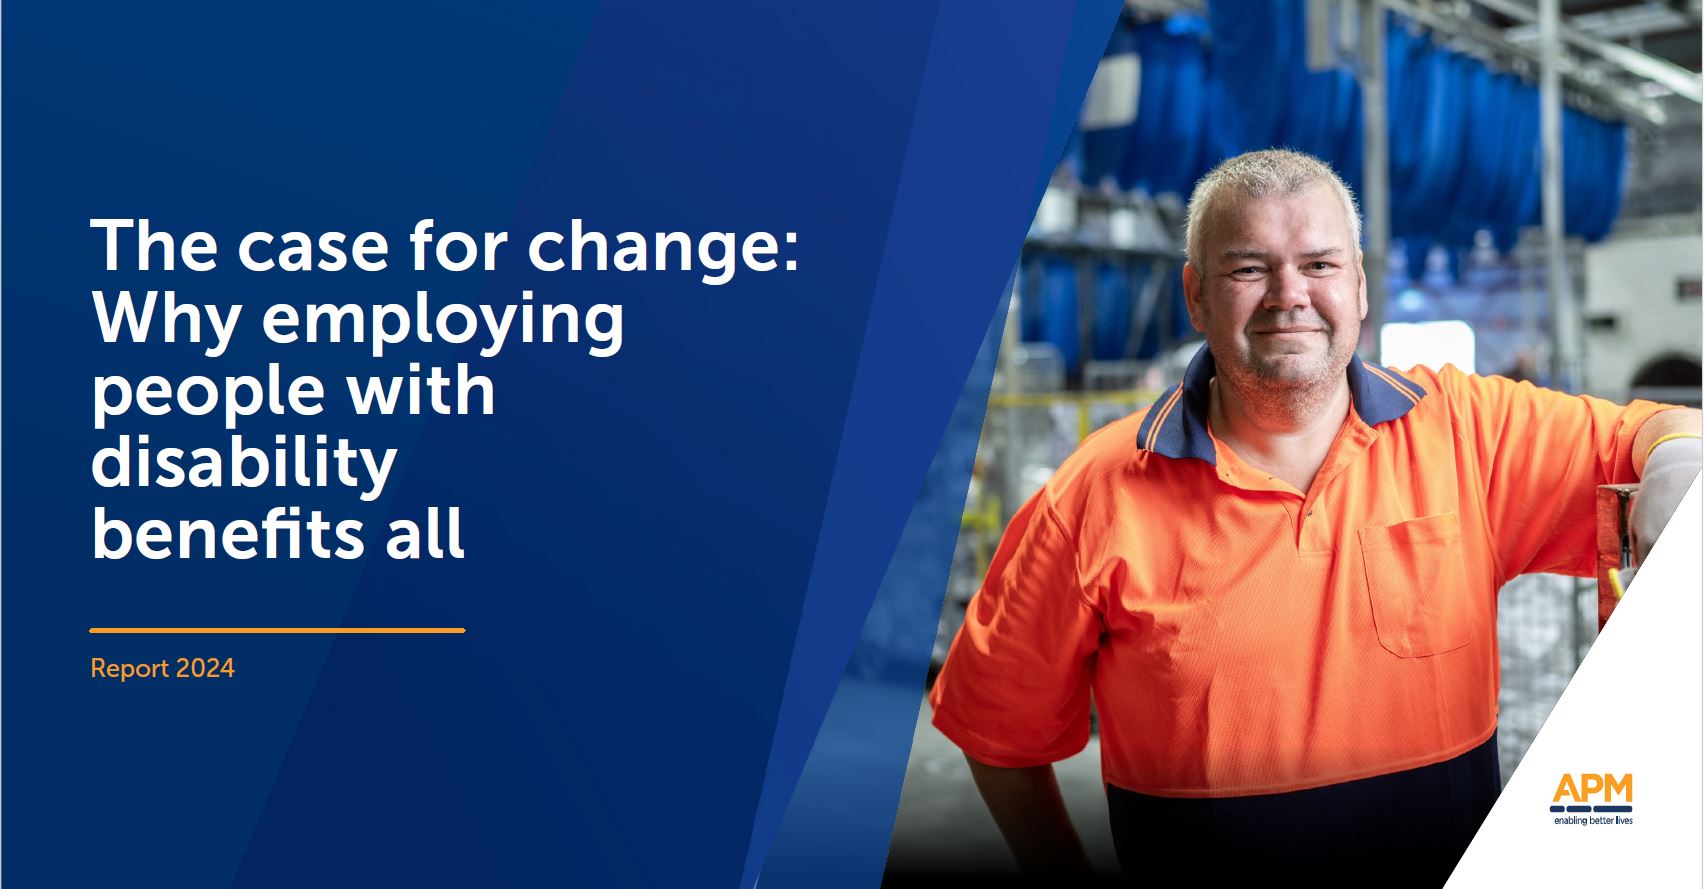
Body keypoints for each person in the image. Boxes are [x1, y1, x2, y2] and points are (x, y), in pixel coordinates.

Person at [928, 149, 1701, 886]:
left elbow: (1653, 429)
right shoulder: (1094, 493)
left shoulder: (1468, 432)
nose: (1288, 293)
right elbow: (998, 729)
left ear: (1360, 285)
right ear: (1196, 294)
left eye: (1320, 264)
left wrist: (1676, 463)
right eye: (1249, 267)